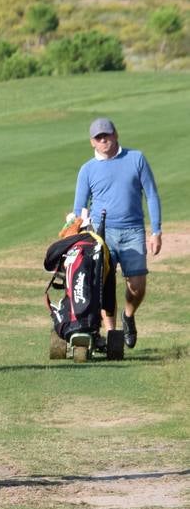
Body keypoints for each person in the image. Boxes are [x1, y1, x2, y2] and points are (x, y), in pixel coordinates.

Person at [73, 117, 162, 348]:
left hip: (133, 230)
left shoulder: (136, 159)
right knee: (105, 284)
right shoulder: (87, 170)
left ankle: (129, 316)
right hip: (102, 234)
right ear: (92, 142)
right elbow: (79, 208)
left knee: (137, 285)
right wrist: (78, 234)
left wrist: (156, 231)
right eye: (99, 137)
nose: (104, 141)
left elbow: (151, 194)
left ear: (116, 134)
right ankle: (113, 335)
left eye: (107, 135)